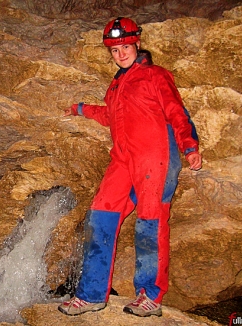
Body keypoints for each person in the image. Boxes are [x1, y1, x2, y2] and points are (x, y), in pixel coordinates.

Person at [58, 17, 202, 318]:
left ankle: (150, 296)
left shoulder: (155, 75)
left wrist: (190, 147)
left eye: (125, 46)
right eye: (114, 50)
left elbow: (177, 112)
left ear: (137, 43)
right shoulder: (117, 85)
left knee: (150, 222)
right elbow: (111, 115)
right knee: (100, 215)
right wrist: (80, 109)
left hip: (155, 157)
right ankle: (91, 294)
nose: (121, 54)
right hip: (123, 159)